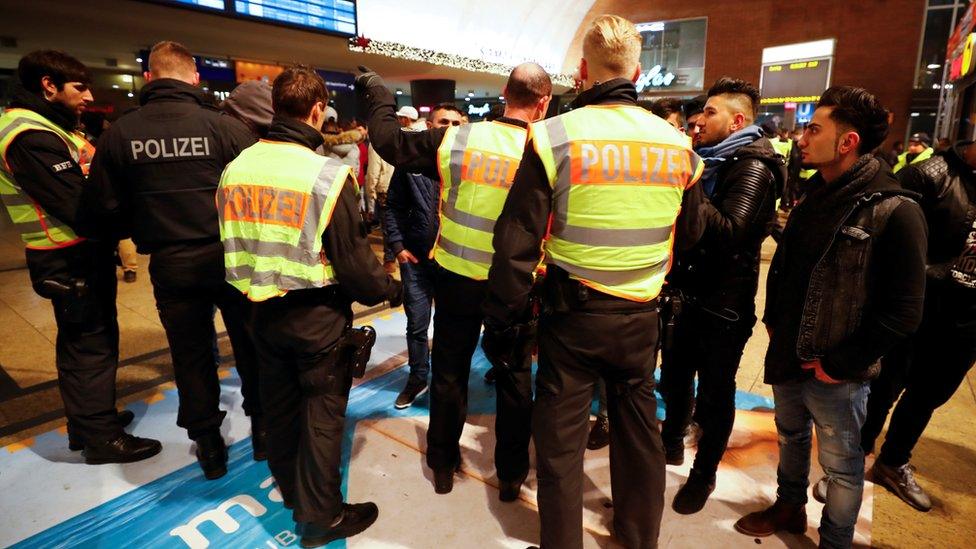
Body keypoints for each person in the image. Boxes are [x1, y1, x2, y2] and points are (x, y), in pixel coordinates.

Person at [483, 15, 706, 548]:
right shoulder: (677, 144)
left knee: (559, 447)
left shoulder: (553, 135)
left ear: (583, 70)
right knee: (639, 438)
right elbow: (693, 231)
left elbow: (516, 243)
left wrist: (507, 318)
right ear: (636, 70)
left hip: (572, 318)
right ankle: (637, 538)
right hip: (640, 318)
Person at [217, 65, 402, 548]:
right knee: (322, 415)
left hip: (257, 312)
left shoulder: (237, 167)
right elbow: (356, 267)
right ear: (318, 110)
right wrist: (390, 287)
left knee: (279, 409)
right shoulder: (326, 175)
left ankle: (291, 489)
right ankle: (322, 516)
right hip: (315, 317)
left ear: (276, 106)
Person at [734, 86, 927, 548]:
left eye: (814, 129)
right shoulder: (815, 192)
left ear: (848, 142)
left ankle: (836, 539)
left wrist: (841, 363)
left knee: (842, 466)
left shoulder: (895, 209)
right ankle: (789, 506)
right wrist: (775, 320)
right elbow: (788, 264)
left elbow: (904, 310)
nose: (802, 138)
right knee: (790, 436)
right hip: (788, 352)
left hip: (838, 370)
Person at [357, 64, 551, 501]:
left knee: (449, 373)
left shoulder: (459, 138)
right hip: (514, 285)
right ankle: (511, 475)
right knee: (516, 379)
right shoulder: (548, 147)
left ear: (505, 93)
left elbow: (389, 143)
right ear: (543, 103)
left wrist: (379, 92)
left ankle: (442, 462)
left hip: (457, 277)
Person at [83, 40, 263, 479]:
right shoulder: (223, 128)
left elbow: (100, 210)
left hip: (171, 262)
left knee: (191, 355)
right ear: (195, 77)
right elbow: (258, 193)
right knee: (252, 344)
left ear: (149, 79)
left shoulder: (120, 134)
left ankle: (208, 445)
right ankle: (266, 433)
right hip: (231, 258)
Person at [0, 50, 160, 462]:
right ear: (48, 86)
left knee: (86, 341)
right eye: (79, 87)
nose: (89, 95)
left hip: (75, 254)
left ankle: (88, 422)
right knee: (91, 346)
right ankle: (100, 439)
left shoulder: (48, 127)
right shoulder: (30, 136)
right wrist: (134, 218)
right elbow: (79, 208)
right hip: (67, 257)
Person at [660, 77, 784, 515]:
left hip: (723, 305)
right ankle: (671, 442)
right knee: (673, 379)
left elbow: (731, 232)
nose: (699, 121)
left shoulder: (752, 166)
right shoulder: (711, 159)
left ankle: (703, 474)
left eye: (710, 113)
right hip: (686, 293)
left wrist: (690, 176)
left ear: (737, 120)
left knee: (715, 394)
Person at [852, 139, 976, 512]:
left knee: (929, 395)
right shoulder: (930, 174)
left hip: (968, 320)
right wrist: (935, 274)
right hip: (917, 309)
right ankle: (851, 463)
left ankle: (892, 463)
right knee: (882, 388)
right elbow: (879, 236)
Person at [381, 105, 455, 409]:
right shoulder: (410, 164)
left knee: (452, 326)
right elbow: (392, 206)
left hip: (455, 262)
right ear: (429, 125)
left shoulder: (467, 164)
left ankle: (446, 381)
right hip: (417, 262)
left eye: (454, 123)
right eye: (443, 122)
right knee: (417, 324)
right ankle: (418, 377)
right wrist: (397, 247)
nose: (448, 127)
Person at [367, 106, 419, 274]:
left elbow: (373, 171)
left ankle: (390, 260)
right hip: (414, 188)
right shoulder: (421, 139)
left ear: (404, 119)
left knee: (390, 225)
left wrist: (370, 194)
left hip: (386, 189)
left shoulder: (383, 140)